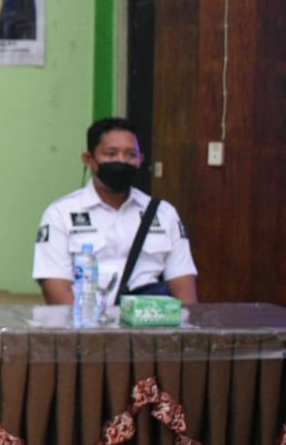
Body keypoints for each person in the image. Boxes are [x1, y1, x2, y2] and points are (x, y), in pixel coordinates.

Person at [33, 117, 198, 305]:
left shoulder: (164, 213)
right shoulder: (60, 214)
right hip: (87, 326)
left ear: (140, 160)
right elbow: (55, 287)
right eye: (111, 154)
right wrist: (90, 332)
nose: (121, 161)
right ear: (89, 159)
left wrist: (185, 330)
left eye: (130, 155)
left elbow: (183, 285)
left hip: (151, 326)